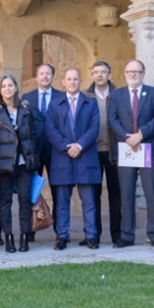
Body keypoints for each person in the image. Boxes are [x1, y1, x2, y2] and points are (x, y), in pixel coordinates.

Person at [108, 60, 154, 249]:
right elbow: (112, 119)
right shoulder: (116, 95)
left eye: (137, 71)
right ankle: (127, 235)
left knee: (152, 193)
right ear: (124, 73)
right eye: (129, 71)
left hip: (148, 147)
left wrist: (140, 134)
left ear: (143, 73)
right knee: (126, 193)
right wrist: (127, 138)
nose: (133, 74)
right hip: (126, 149)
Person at [47, 69, 102, 250]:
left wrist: (79, 145)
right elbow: (50, 129)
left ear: (80, 81)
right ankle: (62, 236)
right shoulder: (55, 105)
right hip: (62, 158)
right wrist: (66, 147)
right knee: (62, 201)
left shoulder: (90, 103)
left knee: (89, 201)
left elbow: (94, 128)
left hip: (85, 156)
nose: (72, 82)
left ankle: (91, 236)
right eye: (69, 79)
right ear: (63, 81)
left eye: (75, 79)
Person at [0, 74, 39, 252]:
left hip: (24, 162)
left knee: (24, 199)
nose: (7, 89)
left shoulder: (25, 108)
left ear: (16, 87)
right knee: (5, 201)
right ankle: (8, 238)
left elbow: (33, 136)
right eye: (4, 86)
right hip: (3, 162)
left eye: (10, 85)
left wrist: (33, 160)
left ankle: (24, 237)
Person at [23, 63, 65, 241]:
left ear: (53, 76)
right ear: (36, 76)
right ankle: (30, 229)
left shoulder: (61, 96)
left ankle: (60, 230)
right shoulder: (27, 98)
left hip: (56, 150)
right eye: (41, 74)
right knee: (32, 190)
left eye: (48, 74)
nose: (45, 77)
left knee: (59, 190)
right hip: (34, 151)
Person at [84, 61, 118, 244]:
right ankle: (93, 234)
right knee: (92, 195)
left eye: (103, 72)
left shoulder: (118, 94)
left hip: (114, 152)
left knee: (116, 195)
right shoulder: (85, 96)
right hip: (91, 152)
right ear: (92, 75)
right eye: (95, 72)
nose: (99, 75)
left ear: (109, 75)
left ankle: (117, 235)